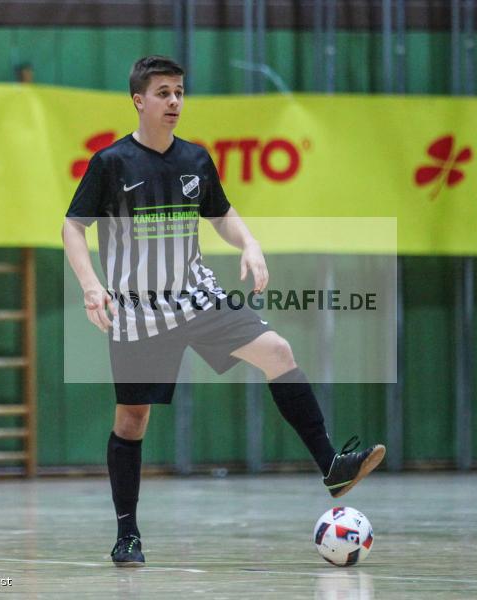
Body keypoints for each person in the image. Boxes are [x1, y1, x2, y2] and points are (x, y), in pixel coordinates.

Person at [62, 55, 386, 567]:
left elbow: (222, 213)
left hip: (197, 296)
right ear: (138, 100)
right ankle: (128, 534)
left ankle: (332, 466)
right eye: (163, 93)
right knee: (132, 419)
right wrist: (90, 286)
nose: (174, 101)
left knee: (278, 351)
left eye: (179, 92)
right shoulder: (111, 163)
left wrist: (249, 243)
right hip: (140, 310)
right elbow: (73, 226)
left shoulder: (195, 159)